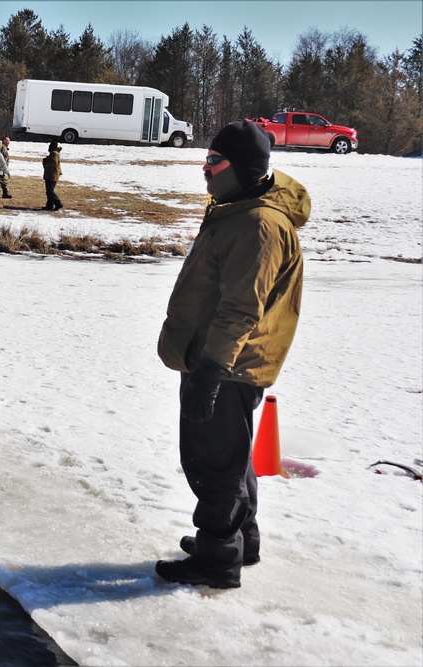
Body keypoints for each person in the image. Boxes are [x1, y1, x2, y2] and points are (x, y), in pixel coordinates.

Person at [155, 120, 308, 589]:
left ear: (242, 168)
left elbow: (241, 309)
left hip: (228, 363)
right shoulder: (238, 207)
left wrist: (211, 372)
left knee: (214, 460)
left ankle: (217, 558)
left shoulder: (258, 223)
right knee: (232, 455)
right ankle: (242, 539)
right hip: (225, 360)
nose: (205, 169)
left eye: (214, 161)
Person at [42, 140, 63, 211]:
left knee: (50, 191)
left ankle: (58, 204)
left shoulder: (54, 153)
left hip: (52, 175)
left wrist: (45, 162)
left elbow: (54, 163)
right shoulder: (54, 153)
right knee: (49, 191)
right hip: (51, 174)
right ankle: (49, 206)